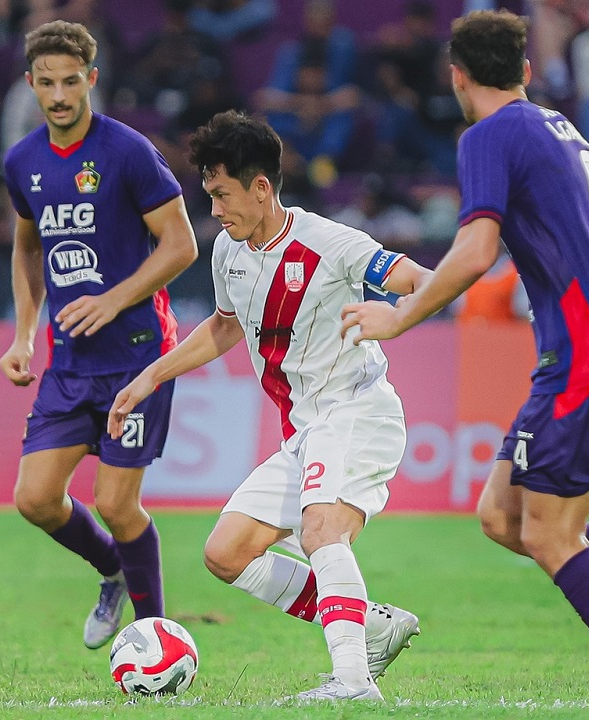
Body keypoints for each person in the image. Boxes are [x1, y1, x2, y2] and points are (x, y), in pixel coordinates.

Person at [341, 11, 589, 720]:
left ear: (456, 77)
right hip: (581, 353)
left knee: (549, 533)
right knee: (502, 514)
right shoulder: (561, 128)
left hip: (586, 355)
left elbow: (476, 251)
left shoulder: (488, 136)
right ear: (523, 70)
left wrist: (400, 315)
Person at [110, 111, 429, 702]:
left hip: (357, 412)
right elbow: (225, 328)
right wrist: (149, 377)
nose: (215, 210)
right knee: (226, 553)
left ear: (262, 187)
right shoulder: (229, 253)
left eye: (223, 194)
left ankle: (353, 685)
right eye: (209, 194)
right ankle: (372, 625)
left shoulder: (330, 243)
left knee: (321, 530)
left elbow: (424, 281)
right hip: (306, 431)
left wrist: (396, 315)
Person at [0, 21, 199, 649]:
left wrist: (113, 300)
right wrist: (24, 335)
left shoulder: (128, 151)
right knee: (34, 499)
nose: (59, 95)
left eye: (71, 81)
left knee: (117, 504)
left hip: (137, 356)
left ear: (91, 79)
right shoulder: (23, 161)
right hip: (68, 363)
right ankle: (112, 570)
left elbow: (182, 244)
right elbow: (27, 246)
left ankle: (154, 639)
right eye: (47, 84)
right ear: (31, 84)